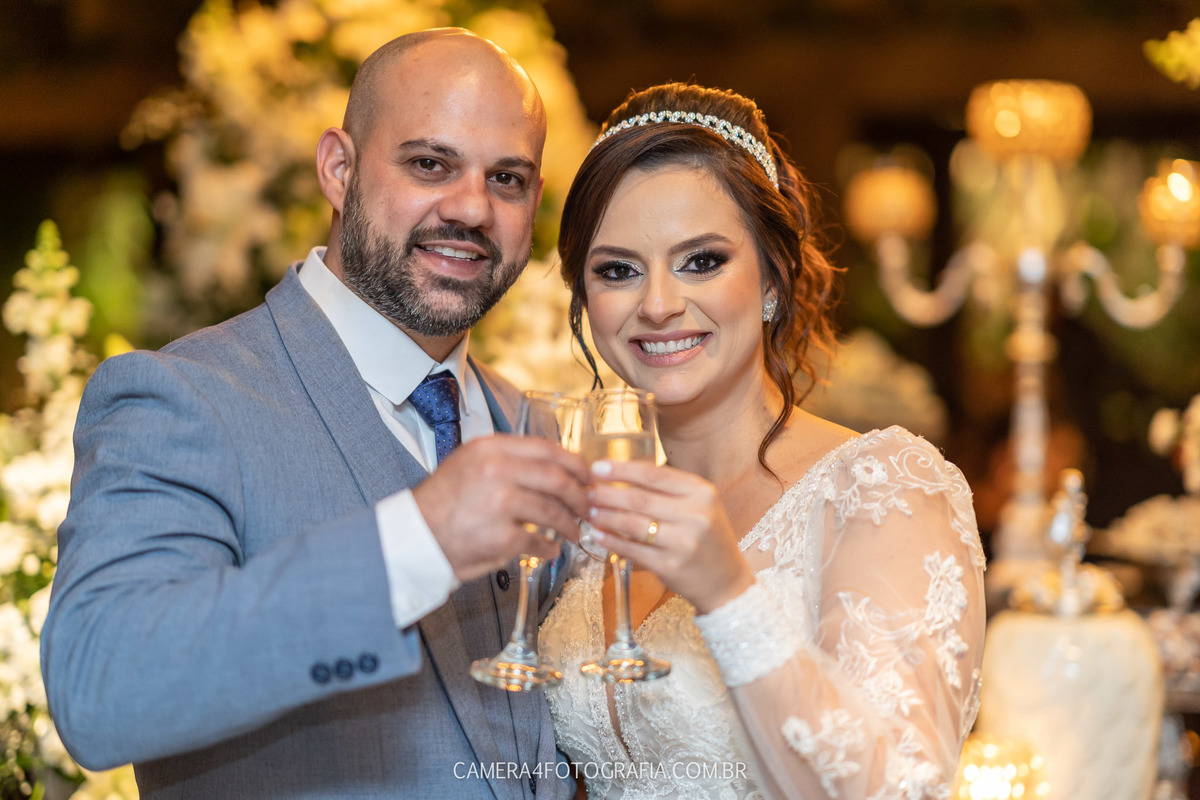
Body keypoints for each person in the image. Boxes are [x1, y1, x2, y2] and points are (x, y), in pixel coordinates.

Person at [41, 29, 589, 799]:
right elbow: (100, 690)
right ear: (339, 168)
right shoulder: (183, 399)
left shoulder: (533, 423)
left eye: (507, 179)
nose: (471, 207)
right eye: (429, 164)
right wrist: (419, 541)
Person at [538, 83, 987, 799]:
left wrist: (730, 596)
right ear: (586, 301)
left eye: (701, 261)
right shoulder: (597, 526)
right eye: (617, 270)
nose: (657, 304)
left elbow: (900, 788)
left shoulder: (882, 489)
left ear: (774, 277)